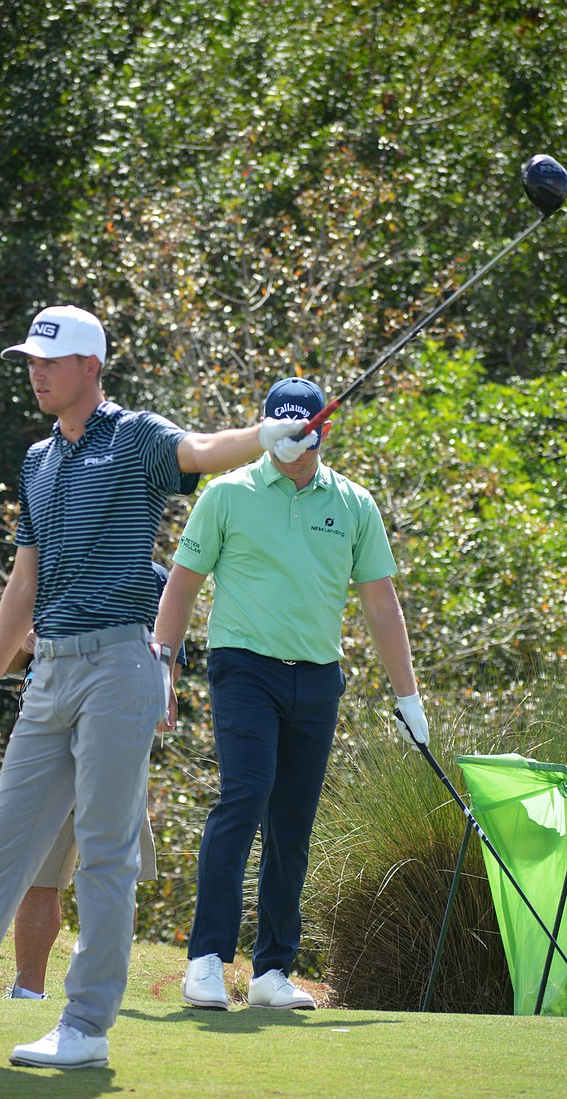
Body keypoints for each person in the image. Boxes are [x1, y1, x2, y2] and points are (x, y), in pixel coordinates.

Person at [0, 304, 311, 1069]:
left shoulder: (135, 437)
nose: (36, 373)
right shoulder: (37, 460)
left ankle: (86, 1027)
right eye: (30, 361)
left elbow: (198, 449)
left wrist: (264, 436)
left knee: (104, 853)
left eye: (49, 361)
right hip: (50, 671)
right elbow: (22, 582)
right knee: (3, 848)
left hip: (120, 664)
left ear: (91, 366)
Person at [153, 376, 429, 1012]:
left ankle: (271, 971)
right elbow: (182, 586)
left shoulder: (354, 503)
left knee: (293, 823)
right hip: (244, 668)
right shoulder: (227, 493)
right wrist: (161, 670)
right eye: (280, 430)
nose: (291, 444)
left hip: (318, 677)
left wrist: (408, 698)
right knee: (244, 797)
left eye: (303, 432)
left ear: (323, 432)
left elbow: (382, 607)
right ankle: (206, 959)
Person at [5, 562, 187, 999]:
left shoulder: (152, 578)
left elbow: (169, 663)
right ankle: (26, 994)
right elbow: (9, 660)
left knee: (112, 880)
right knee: (37, 879)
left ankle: (96, 993)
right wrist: (24, 640)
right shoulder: (49, 569)